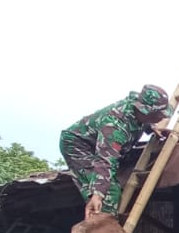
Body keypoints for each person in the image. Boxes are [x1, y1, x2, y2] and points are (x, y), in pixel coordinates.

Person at [59, 85, 172, 219]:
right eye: (158, 115)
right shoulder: (115, 127)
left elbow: (138, 122)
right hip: (77, 145)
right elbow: (105, 161)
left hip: (103, 147)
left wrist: (151, 128)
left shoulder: (137, 114)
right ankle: (103, 232)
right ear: (145, 111)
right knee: (109, 192)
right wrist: (98, 195)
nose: (161, 118)